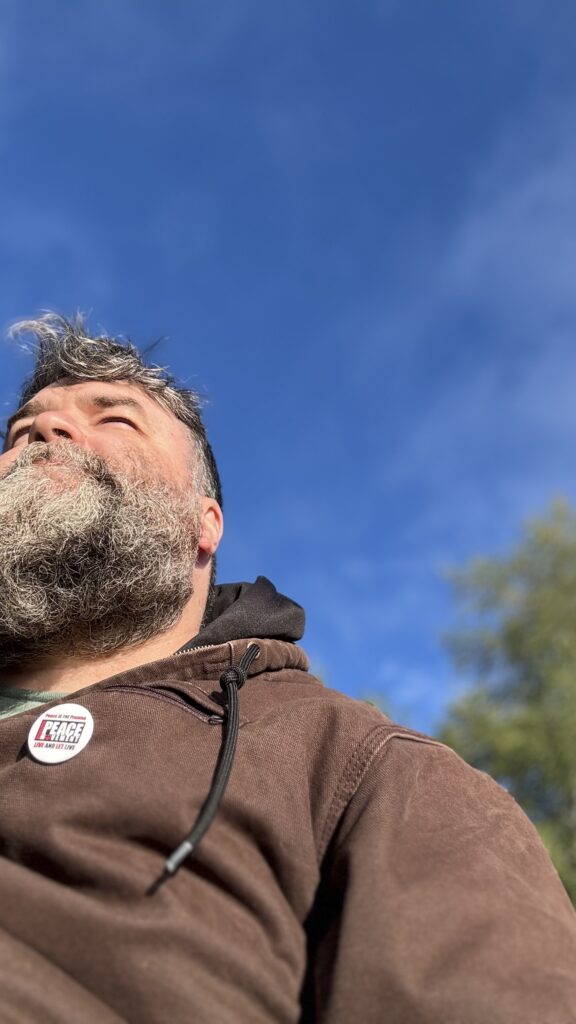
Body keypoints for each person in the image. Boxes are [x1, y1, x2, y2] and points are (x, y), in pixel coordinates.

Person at [0, 313, 574, 1024]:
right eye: (22, 432)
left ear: (203, 523)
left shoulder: (359, 768)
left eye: (113, 419)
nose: (46, 435)